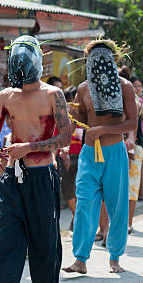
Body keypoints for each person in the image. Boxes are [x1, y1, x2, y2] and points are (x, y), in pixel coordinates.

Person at [0, 35, 72, 283]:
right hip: (11, 179)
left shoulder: (53, 94)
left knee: (45, 241)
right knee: (5, 243)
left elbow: (65, 136)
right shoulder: (5, 96)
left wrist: (28, 147)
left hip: (42, 175)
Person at [62, 39, 138, 274]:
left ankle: (114, 257)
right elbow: (85, 120)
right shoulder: (83, 88)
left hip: (114, 152)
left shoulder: (125, 86)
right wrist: (70, 111)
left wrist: (103, 130)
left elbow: (132, 122)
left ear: (114, 59)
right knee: (84, 203)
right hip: (88, 154)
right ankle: (80, 260)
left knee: (117, 206)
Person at [59, 85, 83, 230]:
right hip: (66, 155)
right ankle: (77, 216)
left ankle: (78, 219)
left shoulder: (85, 115)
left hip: (81, 155)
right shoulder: (63, 114)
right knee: (67, 190)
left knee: (80, 190)